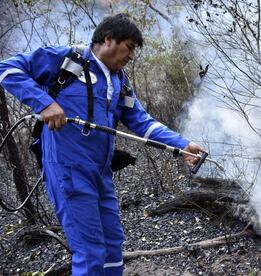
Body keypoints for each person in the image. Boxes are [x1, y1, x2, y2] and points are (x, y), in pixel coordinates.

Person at [0, 13, 204, 275]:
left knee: (112, 244)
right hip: (68, 171)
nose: (131, 56)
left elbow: (141, 121)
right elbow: (8, 69)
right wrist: (46, 104)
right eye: (129, 47)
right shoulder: (68, 61)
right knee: (90, 248)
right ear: (108, 39)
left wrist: (183, 144)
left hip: (101, 173)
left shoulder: (119, 82)